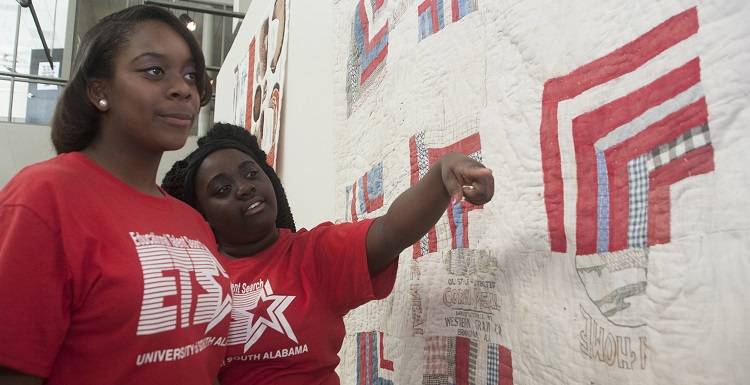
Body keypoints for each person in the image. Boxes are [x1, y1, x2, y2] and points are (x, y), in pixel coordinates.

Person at [0, 5, 232, 385]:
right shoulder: (44, 197)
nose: (182, 88)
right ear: (99, 90)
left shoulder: (192, 222)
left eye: (190, 75)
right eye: (154, 71)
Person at [161, 123, 495, 385]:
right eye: (221, 189)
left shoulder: (313, 255)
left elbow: (391, 230)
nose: (244, 187)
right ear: (202, 216)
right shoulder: (195, 281)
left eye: (251, 173)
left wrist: (442, 173)